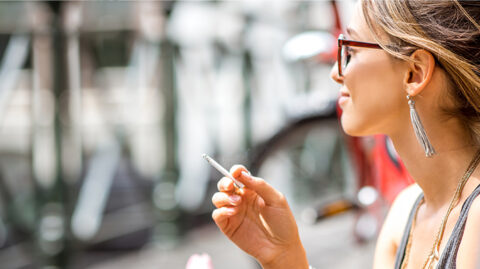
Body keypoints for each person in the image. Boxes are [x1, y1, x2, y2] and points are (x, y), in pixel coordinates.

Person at [211, 0, 480, 268]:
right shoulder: (405, 212)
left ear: (414, 73)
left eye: (350, 50)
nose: (335, 73)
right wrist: (284, 256)